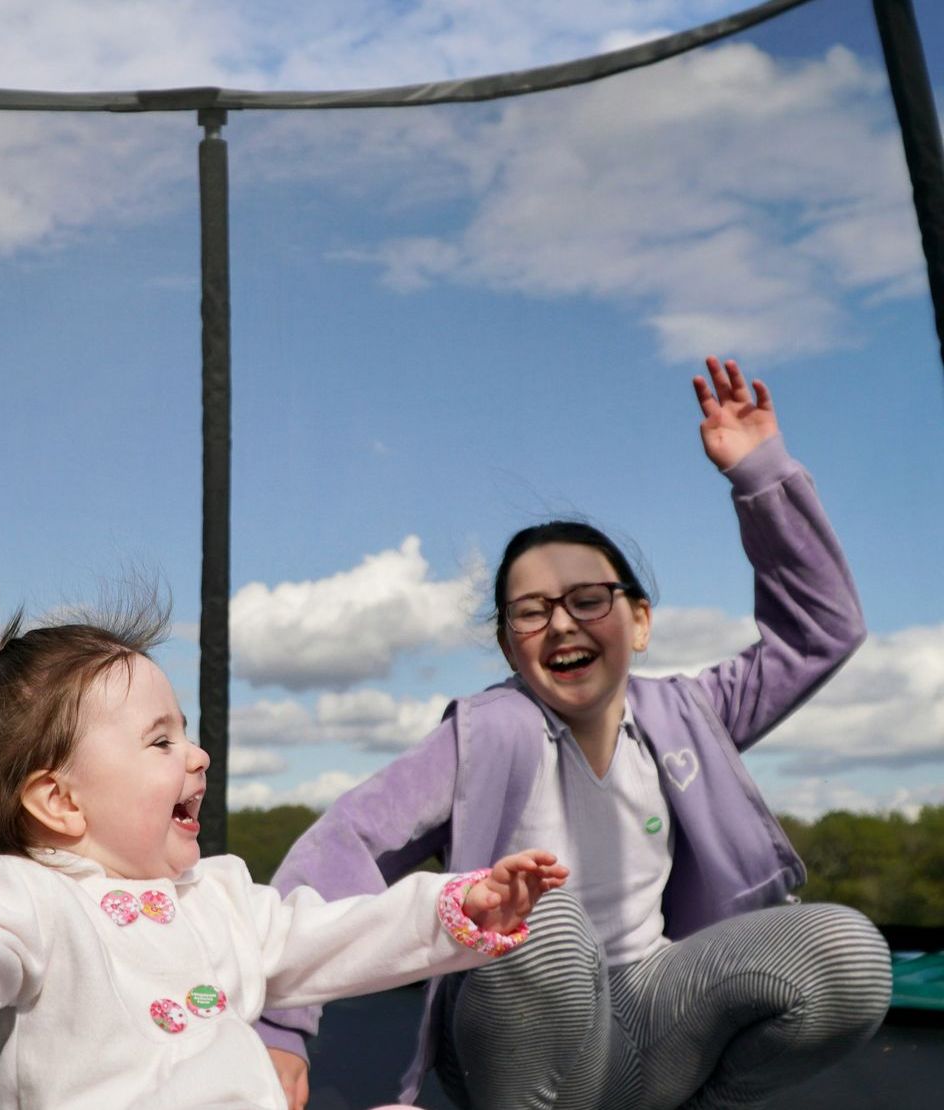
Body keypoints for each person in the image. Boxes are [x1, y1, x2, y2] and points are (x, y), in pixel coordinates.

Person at [260, 358, 892, 1110]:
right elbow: (348, 844)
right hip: (520, 1034)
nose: (560, 622)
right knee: (544, 919)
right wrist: (280, 1024)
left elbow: (820, 633)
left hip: (656, 1018)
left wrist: (761, 475)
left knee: (849, 955)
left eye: (588, 599)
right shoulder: (488, 734)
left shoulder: (689, 716)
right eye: (531, 611)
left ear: (641, 621)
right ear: (508, 647)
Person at [0, 583, 570, 1110]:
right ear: (59, 801)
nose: (198, 755)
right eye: (161, 741)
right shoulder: (21, 896)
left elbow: (333, 934)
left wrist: (455, 906)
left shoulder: (217, 897)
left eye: (188, 734)